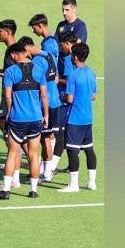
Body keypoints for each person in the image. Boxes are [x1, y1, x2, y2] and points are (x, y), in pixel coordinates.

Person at [0, 43, 49, 200]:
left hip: (18, 119)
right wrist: (46, 115)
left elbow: (7, 95)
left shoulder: (11, 71)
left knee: (12, 153)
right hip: (36, 118)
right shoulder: (39, 69)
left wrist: (9, 112)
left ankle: (6, 190)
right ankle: (33, 190)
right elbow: (44, 95)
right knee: (33, 154)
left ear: (14, 55)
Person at [59, 42, 99, 192]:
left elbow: (69, 99)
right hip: (88, 118)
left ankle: (74, 185)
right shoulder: (92, 73)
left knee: (72, 150)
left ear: (75, 57)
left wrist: (62, 97)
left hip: (74, 119)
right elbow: (94, 96)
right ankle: (92, 182)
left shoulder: (74, 75)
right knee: (89, 149)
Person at [21, 35, 62, 182]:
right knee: (48, 136)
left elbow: (35, 83)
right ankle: (47, 171)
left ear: (26, 48)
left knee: (44, 139)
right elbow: (56, 78)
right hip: (55, 100)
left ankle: (45, 173)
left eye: (23, 53)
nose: (24, 56)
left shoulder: (36, 61)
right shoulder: (48, 55)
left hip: (45, 104)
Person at [0, 19, 21, 188]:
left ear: (8, 32)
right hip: (9, 96)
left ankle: (15, 177)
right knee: (7, 131)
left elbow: (16, 73)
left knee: (11, 134)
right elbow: (9, 71)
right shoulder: (11, 49)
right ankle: (13, 167)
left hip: (11, 97)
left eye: (0, 31)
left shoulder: (13, 51)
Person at [53, 31, 80, 170]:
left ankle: (51, 167)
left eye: (62, 44)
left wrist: (57, 80)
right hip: (77, 100)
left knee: (60, 134)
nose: (60, 47)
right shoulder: (79, 57)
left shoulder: (69, 59)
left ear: (68, 44)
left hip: (65, 99)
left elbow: (69, 81)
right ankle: (71, 165)